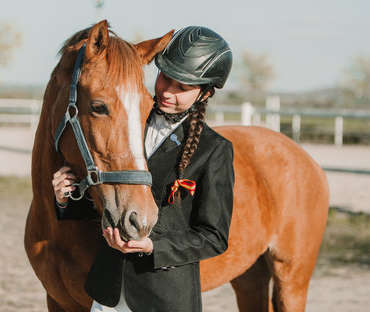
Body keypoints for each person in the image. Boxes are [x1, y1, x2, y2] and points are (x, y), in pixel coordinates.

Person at [52, 26, 235, 312]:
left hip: (163, 298)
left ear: (205, 94)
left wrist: (153, 247)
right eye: (165, 77)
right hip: (108, 292)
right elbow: (110, 197)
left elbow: (214, 237)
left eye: (183, 87)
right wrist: (67, 198)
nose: (167, 91)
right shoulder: (129, 121)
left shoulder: (214, 150)